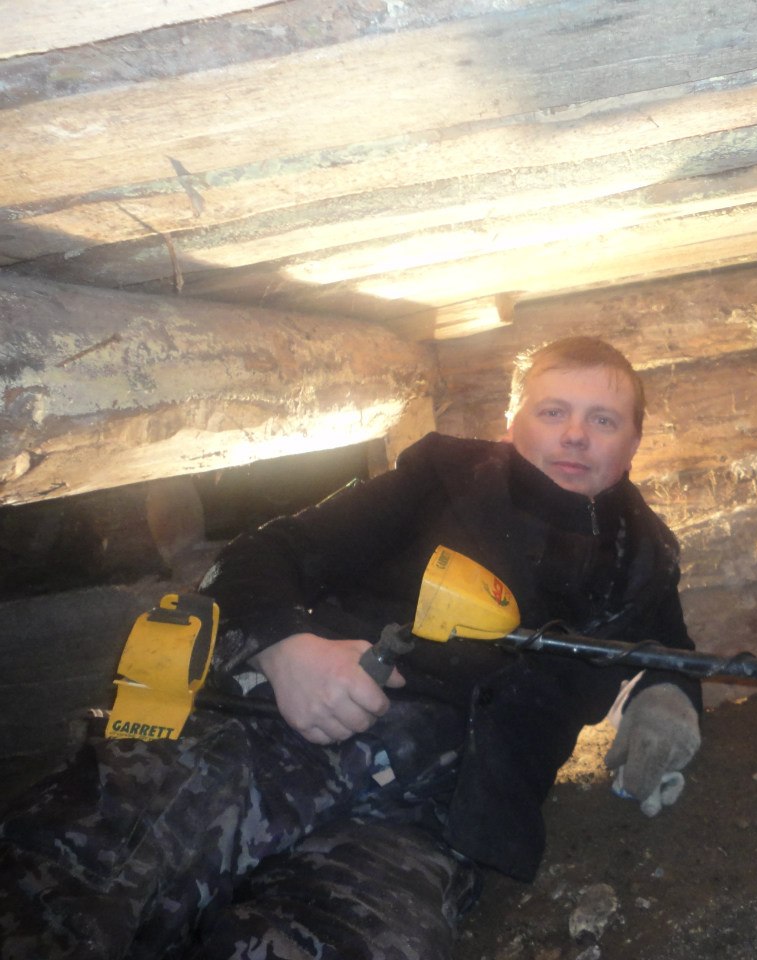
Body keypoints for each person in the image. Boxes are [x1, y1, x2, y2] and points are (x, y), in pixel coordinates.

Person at [0, 336, 702, 960]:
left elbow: (674, 654)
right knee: (73, 878)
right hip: (266, 738)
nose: (575, 435)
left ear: (633, 443)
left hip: (429, 824)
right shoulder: (440, 481)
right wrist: (286, 649)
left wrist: (667, 702)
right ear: (513, 423)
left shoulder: (645, 561)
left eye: (602, 420)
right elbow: (265, 554)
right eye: (553, 412)